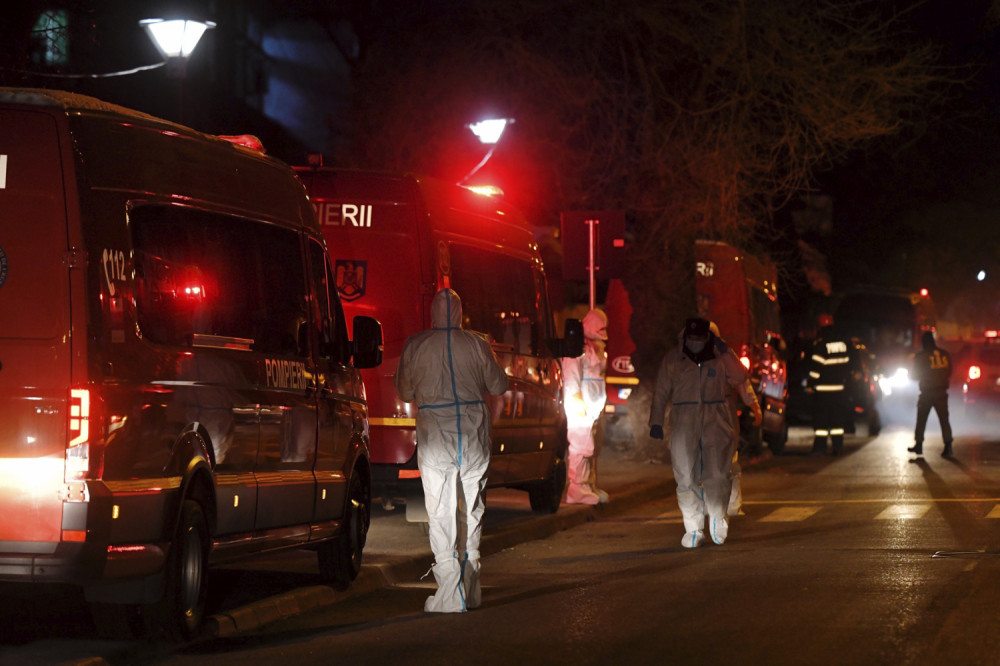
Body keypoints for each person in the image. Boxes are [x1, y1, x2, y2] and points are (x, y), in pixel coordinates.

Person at [394, 288, 509, 613]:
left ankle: (449, 590)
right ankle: (470, 587)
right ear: (460, 312)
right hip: (472, 432)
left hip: (435, 434)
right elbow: (499, 385)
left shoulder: (416, 344)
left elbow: (403, 389)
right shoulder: (476, 343)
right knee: (471, 508)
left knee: (440, 511)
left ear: (432, 312)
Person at [648, 317, 762, 548]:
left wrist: (727, 352)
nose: (696, 342)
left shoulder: (721, 359)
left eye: (701, 338)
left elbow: (741, 378)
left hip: (717, 420)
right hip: (683, 422)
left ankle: (718, 517)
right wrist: (656, 422)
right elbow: (660, 392)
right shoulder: (674, 360)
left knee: (719, 473)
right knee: (685, 476)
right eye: (692, 337)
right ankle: (693, 527)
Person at [561, 309, 609, 505]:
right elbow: (571, 375)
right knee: (581, 446)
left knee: (590, 447)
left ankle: (587, 485)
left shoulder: (596, 348)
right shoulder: (577, 349)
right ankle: (577, 488)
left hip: (592, 407)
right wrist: (576, 398)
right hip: (581, 406)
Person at [806, 313, 857, 456]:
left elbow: (816, 369)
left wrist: (810, 384)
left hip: (823, 390)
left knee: (821, 421)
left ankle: (820, 448)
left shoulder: (821, 344)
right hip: (839, 389)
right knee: (837, 421)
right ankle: (838, 447)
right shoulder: (842, 344)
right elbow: (848, 365)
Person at [909, 330, 954, 457]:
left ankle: (919, 444)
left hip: (927, 392)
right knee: (944, 419)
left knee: (921, 418)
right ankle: (948, 445)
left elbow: (914, 375)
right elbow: (950, 371)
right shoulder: (944, 354)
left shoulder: (921, 356)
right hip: (941, 391)